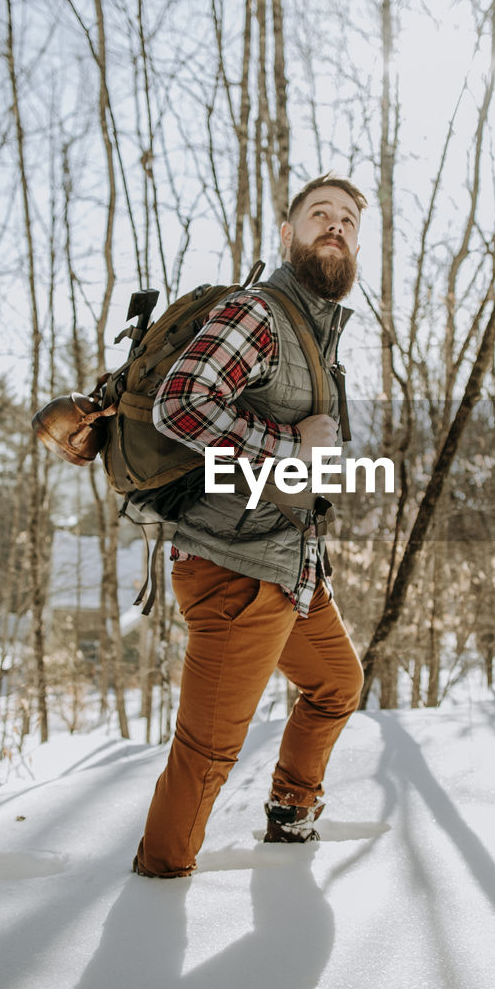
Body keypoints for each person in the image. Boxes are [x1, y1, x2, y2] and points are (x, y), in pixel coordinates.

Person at [133, 173, 368, 878]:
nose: (334, 226)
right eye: (319, 214)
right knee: (207, 750)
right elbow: (179, 407)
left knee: (334, 685)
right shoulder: (259, 312)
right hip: (231, 562)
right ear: (289, 234)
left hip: (287, 562)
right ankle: (159, 881)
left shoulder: (319, 337)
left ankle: (291, 817)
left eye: (348, 221)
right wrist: (291, 447)